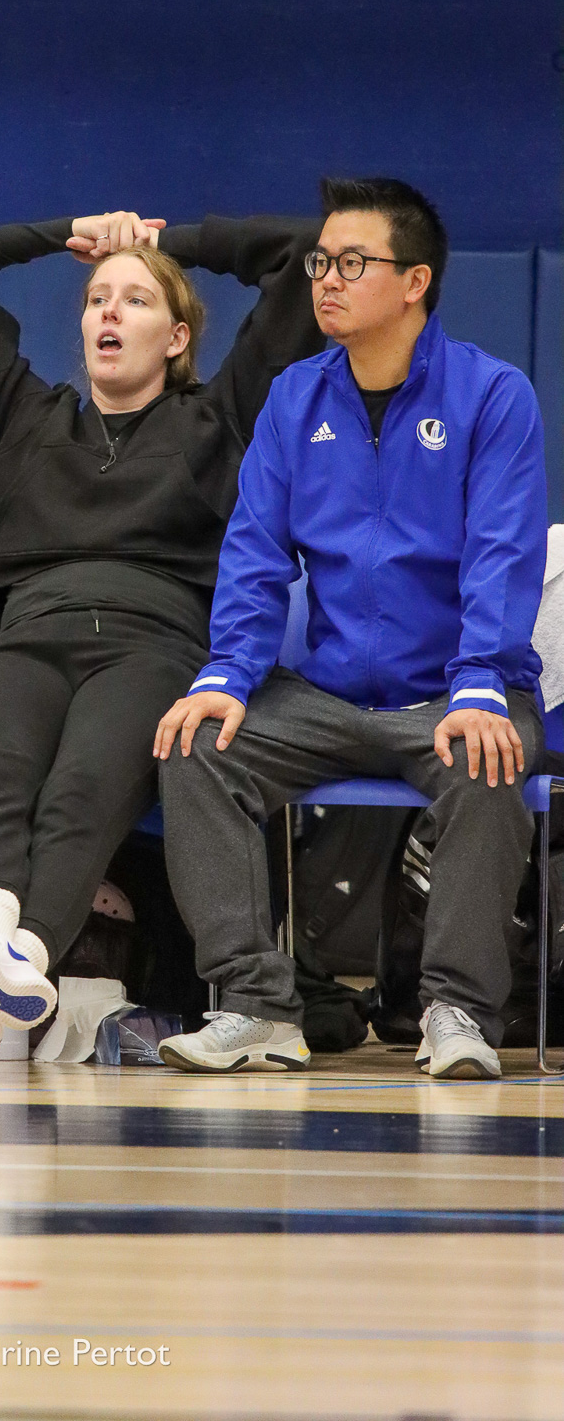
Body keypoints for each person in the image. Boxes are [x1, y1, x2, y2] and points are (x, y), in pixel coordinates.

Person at [0, 206, 325, 1077]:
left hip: (151, 645)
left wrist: (168, 244)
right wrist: (56, 234)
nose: (108, 313)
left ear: (178, 337)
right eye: (95, 299)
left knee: (81, 790)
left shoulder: (223, 421)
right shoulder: (21, 417)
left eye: (134, 299)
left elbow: (299, 257)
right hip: (28, 636)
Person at [155, 177, 546, 1081]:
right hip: (327, 694)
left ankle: (455, 1010)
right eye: (320, 262)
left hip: (455, 688)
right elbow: (255, 555)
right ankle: (255, 1006)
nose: (325, 279)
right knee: (193, 745)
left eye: (351, 262)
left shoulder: (493, 396)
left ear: (414, 282)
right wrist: (226, 675)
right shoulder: (296, 398)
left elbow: (502, 550)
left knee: (488, 758)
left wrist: (483, 678)